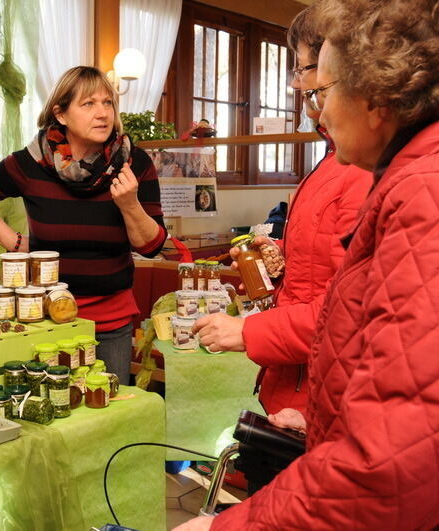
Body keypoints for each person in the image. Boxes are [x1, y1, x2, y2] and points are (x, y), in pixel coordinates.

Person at [177, 0, 439, 528]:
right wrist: (325, 416)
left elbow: (388, 465)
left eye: (324, 89)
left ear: (376, 97)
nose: (315, 107)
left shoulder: (421, 191)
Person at [192, 5, 372, 419]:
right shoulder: (334, 159)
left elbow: (350, 311)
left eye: (306, 72)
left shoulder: (363, 168)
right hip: (298, 380)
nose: (298, 85)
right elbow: (324, 270)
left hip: (328, 389)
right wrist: (276, 260)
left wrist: (248, 331)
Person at [0, 66, 167, 384]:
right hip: (45, 319)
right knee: (54, 413)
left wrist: (129, 204)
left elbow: (150, 247)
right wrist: (15, 243)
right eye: (88, 104)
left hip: (110, 322)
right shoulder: (30, 163)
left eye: (107, 103)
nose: (102, 114)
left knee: (110, 416)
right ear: (62, 114)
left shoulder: (133, 163)